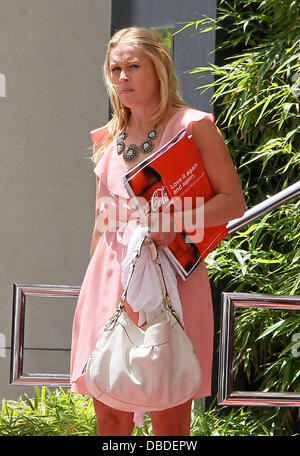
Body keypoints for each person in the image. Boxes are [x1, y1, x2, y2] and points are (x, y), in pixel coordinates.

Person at [70, 26, 245, 436]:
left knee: (169, 417)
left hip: (174, 279)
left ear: (159, 69)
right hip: (109, 278)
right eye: (115, 69)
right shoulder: (110, 135)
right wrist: (90, 287)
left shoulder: (193, 125)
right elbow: (101, 219)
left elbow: (233, 203)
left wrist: (175, 220)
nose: (122, 78)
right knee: (109, 415)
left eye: (133, 67)